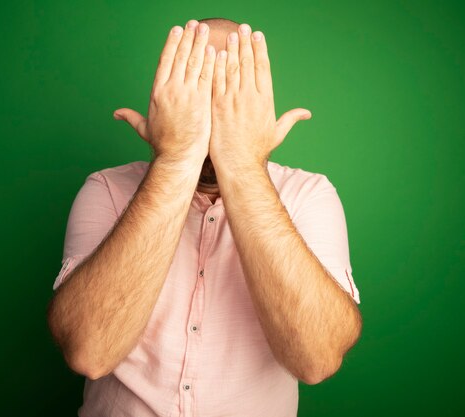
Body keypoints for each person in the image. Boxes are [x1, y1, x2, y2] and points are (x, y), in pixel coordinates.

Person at [46, 17, 363, 417]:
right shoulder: (107, 190)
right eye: (196, 87)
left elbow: (316, 359)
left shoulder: (309, 196)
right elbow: (88, 351)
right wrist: (176, 158)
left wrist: (244, 165)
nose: (212, 111)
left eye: (230, 89)